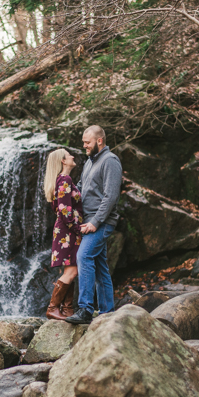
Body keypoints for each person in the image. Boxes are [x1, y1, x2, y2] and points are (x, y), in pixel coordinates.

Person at [66, 125, 123, 325]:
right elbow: (80, 188)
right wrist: (65, 192)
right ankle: (107, 313)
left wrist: (95, 222)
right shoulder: (90, 162)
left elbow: (111, 196)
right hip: (87, 221)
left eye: (87, 142)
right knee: (100, 268)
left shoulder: (111, 161)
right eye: (83, 142)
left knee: (84, 255)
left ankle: (86, 309)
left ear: (99, 141)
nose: (84, 146)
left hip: (101, 222)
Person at [43, 148, 83, 320]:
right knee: (72, 271)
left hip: (65, 231)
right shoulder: (64, 179)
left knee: (70, 269)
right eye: (69, 155)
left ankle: (67, 310)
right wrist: (79, 228)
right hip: (69, 231)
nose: (72, 156)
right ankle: (53, 308)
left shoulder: (59, 181)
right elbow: (65, 211)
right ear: (63, 161)